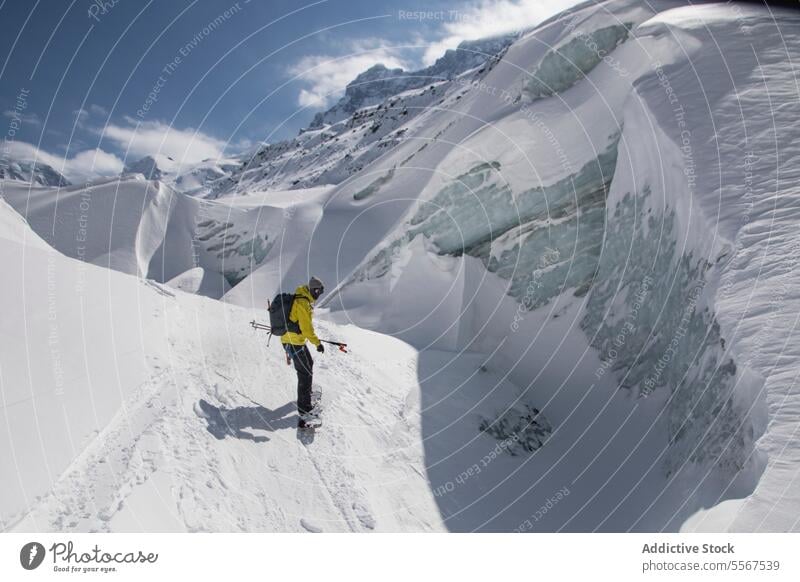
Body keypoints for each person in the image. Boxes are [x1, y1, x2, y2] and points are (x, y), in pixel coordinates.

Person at [281, 276, 325, 428]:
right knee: (304, 372)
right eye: (318, 292)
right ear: (314, 290)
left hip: (294, 340)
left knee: (308, 364)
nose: (318, 295)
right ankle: (304, 410)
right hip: (294, 342)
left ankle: (306, 395)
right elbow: (307, 329)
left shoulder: (303, 298)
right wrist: (317, 343)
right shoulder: (303, 302)